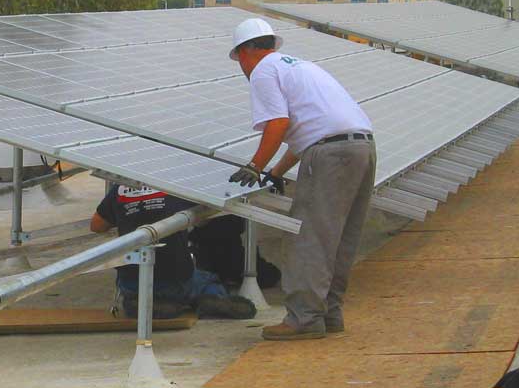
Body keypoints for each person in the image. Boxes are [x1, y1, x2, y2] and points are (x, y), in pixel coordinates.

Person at [227, 18, 375, 341]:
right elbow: (304, 133)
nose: (241, 66)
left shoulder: (263, 71)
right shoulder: (298, 67)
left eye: (239, 58)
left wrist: (255, 165)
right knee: (339, 237)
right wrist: (276, 172)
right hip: (362, 146)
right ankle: (330, 313)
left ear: (246, 52)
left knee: (308, 236)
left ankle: (304, 319)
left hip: (331, 155)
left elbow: (278, 124)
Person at [90, 184, 256, 320]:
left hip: (134, 281)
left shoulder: (119, 189)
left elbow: (96, 226)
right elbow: (203, 219)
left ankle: (142, 303)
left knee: (131, 285)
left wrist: (127, 214)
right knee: (207, 280)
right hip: (177, 277)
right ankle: (210, 298)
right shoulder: (178, 186)